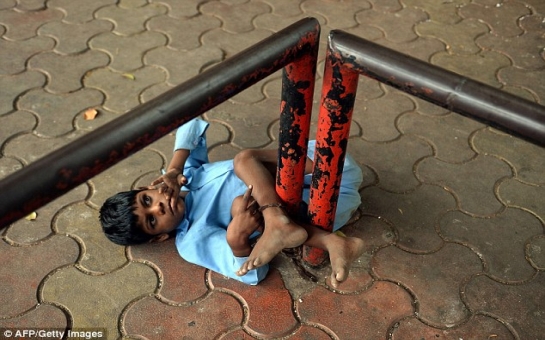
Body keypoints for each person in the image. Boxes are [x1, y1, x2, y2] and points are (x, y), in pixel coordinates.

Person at [100, 118, 365, 287]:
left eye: (147, 200)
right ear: (159, 237)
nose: (157, 206)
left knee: (244, 160)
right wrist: (237, 238)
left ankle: (284, 225)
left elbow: (191, 121)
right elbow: (247, 273)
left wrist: (173, 168)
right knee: (241, 203)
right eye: (152, 220)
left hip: (327, 164)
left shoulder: (186, 176)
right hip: (324, 206)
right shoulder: (191, 241)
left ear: (149, 187)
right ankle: (333, 241)